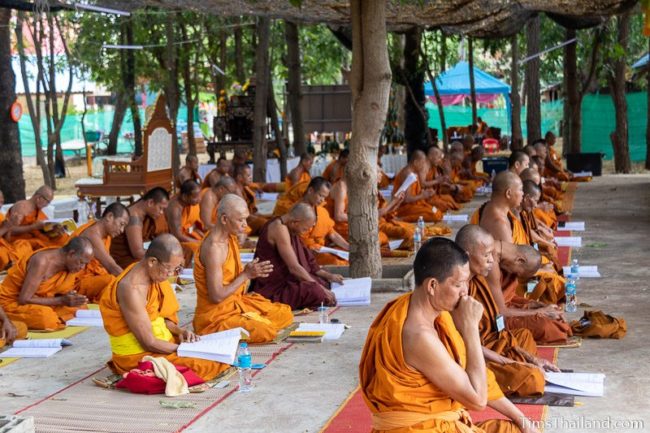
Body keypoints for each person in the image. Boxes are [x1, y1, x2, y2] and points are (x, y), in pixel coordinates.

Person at [359, 237, 539, 433]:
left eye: (466, 282)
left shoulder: (430, 310)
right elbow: (477, 400)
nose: (465, 292)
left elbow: (481, 379)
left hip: (437, 422)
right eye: (458, 284)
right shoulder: (419, 336)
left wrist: (522, 419)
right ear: (432, 286)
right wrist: (470, 328)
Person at [100, 234, 229, 380]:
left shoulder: (155, 275)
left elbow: (162, 318)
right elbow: (148, 342)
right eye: (169, 269)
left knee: (218, 357)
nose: (170, 275)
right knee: (206, 365)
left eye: (176, 269)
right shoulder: (131, 289)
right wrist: (188, 350)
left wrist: (179, 331)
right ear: (152, 261)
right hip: (138, 356)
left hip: (162, 343)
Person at [456, 225, 557, 397]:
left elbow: (498, 329)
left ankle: (521, 366)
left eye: (491, 255)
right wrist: (512, 362)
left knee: (525, 337)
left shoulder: (478, 280)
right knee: (533, 378)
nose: (491, 261)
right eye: (486, 255)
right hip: (474, 356)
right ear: (467, 256)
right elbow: (466, 344)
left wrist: (532, 359)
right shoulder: (457, 290)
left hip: (493, 342)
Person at [193, 194, 293, 343]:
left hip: (235, 303)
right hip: (215, 317)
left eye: (246, 219)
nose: (245, 224)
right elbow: (216, 296)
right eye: (240, 220)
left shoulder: (229, 237)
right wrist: (246, 275)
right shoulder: (214, 248)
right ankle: (217, 332)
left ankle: (246, 320)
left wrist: (250, 271)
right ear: (224, 219)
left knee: (284, 313)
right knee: (266, 330)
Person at [251, 203, 342, 310]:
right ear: (295, 222)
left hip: (286, 280)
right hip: (272, 288)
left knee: (321, 283)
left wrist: (324, 278)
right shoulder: (278, 229)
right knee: (316, 292)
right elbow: (294, 268)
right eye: (304, 229)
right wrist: (320, 288)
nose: (304, 233)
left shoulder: (288, 227)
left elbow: (306, 260)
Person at [486, 242, 572, 345]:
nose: (513, 277)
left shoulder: (505, 255)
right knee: (548, 327)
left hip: (503, 308)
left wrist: (534, 305)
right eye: (517, 274)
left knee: (556, 322)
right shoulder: (492, 262)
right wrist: (540, 311)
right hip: (491, 318)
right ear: (520, 260)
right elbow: (500, 311)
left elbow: (508, 296)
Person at [0, 237, 93, 330]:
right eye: (81, 262)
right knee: (46, 318)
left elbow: (59, 292)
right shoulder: (42, 261)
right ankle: (5, 318)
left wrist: (70, 297)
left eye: (85, 264)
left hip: (42, 301)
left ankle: (56, 317)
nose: (82, 267)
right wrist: (61, 300)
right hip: (12, 303)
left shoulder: (69, 266)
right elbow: (24, 299)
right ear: (71, 253)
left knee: (80, 307)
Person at [72, 203, 130, 301]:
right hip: (76, 284)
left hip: (93, 277)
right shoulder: (92, 234)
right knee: (113, 281)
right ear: (110, 216)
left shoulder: (105, 235)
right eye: (121, 224)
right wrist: (134, 284)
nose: (122, 230)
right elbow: (111, 267)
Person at [110, 187, 170, 268]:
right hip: (124, 261)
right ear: (150, 202)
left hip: (136, 257)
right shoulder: (133, 217)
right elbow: (138, 253)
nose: (161, 212)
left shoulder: (146, 214)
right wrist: (164, 258)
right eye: (160, 208)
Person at [392, 150, 443, 222]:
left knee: (437, 212)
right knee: (434, 215)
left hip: (415, 205)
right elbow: (407, 199)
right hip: (403, 208)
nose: (423, 167)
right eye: (422, 164)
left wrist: (425, 193)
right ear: (416, 163)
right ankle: (402, 219)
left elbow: (415, 192)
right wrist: (422, 196)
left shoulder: (413, 172)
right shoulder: (408, 174)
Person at [166, 180, 205, 264]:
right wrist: (199, 242)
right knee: (200, 248)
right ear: (184, 197)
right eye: (195, 197)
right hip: (176, 241)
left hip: (189, 234)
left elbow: (194, 223)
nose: (199, 199)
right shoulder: (175, 209)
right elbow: (178, 235)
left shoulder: (189, 204)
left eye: (199, 196)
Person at [0, 191, 33, 270]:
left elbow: (7, 241)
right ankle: (11, 262)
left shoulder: (1, 215)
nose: (0, 205)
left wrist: (10, 226)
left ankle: (12, 261)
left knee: (24, 244)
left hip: (6, 249)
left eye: (1, 201)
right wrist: (5, 228)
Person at [234, 164, 270, 235]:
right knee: (268, 224)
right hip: (242, 221)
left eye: (251, 175)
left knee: (273, 219)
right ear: (239, 177)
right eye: (248, 176)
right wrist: (259, 219)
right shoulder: (236, 190)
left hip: (249, 216)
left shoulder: (244, 188)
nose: (251, 178)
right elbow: (243, 214)